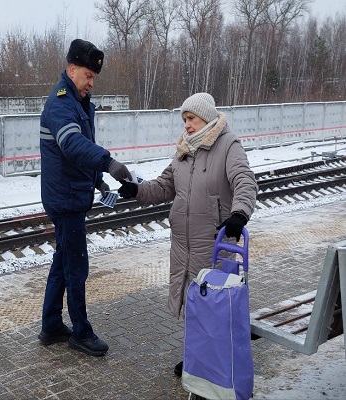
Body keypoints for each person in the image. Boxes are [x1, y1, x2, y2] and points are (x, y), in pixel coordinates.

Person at [118, 92, 257, 375]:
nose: (187, 125)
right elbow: (164, 186)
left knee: (214, 306)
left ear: (205, 116)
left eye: (191, 118)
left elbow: (244, 180)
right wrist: (137, 190)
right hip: (183, 245)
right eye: (184, 120)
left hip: (214, 242)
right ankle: (197, 360)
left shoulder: (228, 145)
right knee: (194, 303)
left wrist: (239, 213)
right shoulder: (184, 150)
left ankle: (217, 365)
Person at [38, 38, 132, 357]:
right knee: (76, 266)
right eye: (88, 76)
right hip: (65, 199)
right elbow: (73, 146)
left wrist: (100, 182)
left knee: (62, 262)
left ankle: (51, 325)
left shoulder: (79, 103)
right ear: (72, 69)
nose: (91, 83)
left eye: (94, 77)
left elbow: (82, 152)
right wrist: (110, 163)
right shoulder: (61, 103)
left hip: (72, 192)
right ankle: (81, 332)